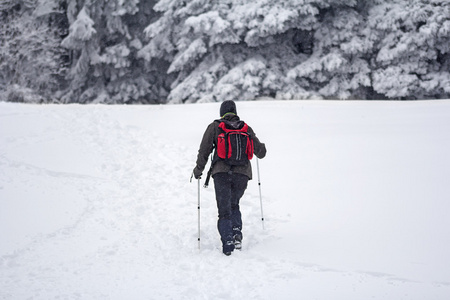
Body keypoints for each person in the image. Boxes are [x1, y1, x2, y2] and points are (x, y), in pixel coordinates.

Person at [193, 100, 267, 256]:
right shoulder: (245, 128)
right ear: (235, 111)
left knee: (224, 210)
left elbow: (204, 151)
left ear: (222, 112)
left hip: (221, 173)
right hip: (242, 174)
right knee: (234, 204)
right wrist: (262, 147)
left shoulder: (215, 126)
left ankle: (227, 240)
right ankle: (236, 234)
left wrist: (198, 170)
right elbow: (260, 152)